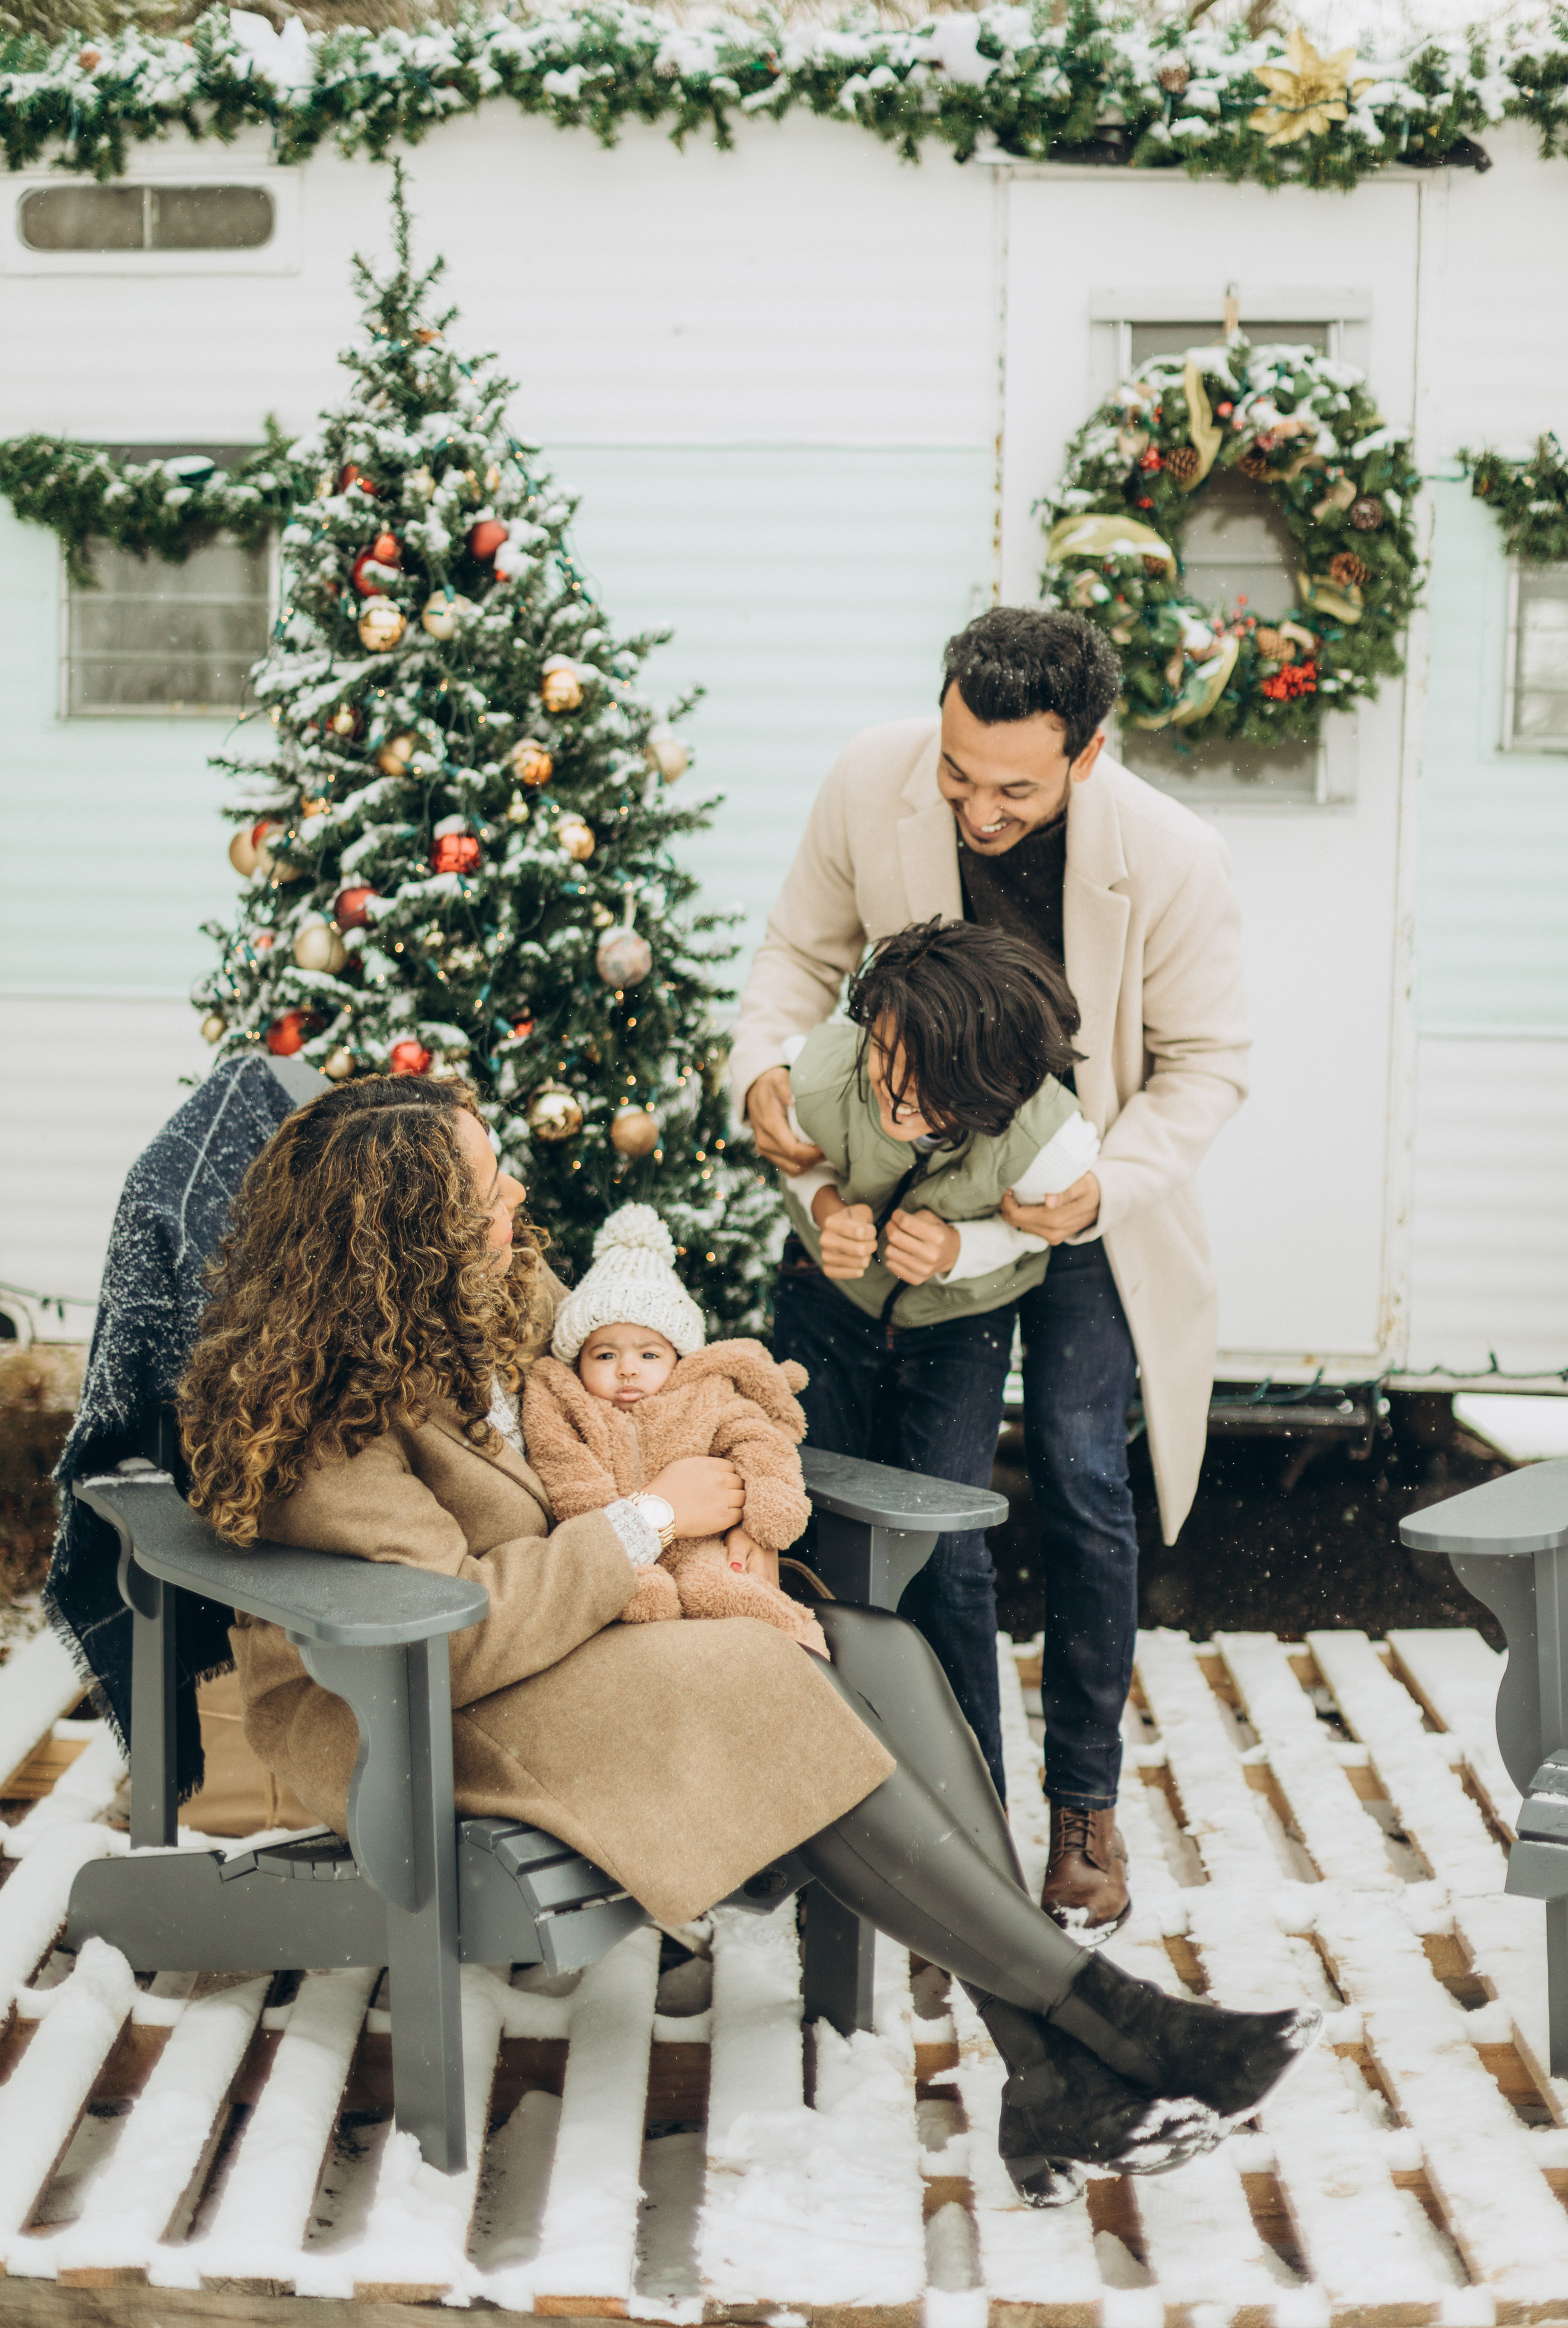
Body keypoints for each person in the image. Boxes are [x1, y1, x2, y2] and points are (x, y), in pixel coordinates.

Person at [176, 1074, 1310, 2207]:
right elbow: (452, 1623)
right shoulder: (330, 1414)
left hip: (572, 1637)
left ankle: (1047, 2065)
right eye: (485, 1191)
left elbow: (652, 1386)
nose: (515, 1195)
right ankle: (1113, 2017)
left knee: (878, 1651)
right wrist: (657, 1516)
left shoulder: (487, 1299)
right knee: (767, 1674)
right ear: (406, 1237)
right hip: (420, 1706)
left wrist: (739, 1486)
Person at [731, 608, 1250, 1942]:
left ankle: (1080, 1805)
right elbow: (796, 959)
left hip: (1072, 1198)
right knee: (917, 1500)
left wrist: (1099, 1191)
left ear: (1085, 755)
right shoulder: (870, 777)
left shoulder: (1173, 860)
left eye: (1011, 786)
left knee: (1079, 1473)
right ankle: (921, 1799)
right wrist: (764, 1085)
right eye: (956, 771)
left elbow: (1206, 1064)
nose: (971, 807)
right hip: (908, 1194)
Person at [772, 917, 1099, 1796]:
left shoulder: (1050, 1141)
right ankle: (798, 1787)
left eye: (927, 1092)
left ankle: (969, 1796)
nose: (893, 1099)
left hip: (964, 1323)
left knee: (944, 1547)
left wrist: (963, 1252)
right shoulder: (824, 1067)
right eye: (885, 1063)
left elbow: (1039, 1240)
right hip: (826, 1300)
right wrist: (828, 1204)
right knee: (795, 1524)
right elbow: (795, 1161)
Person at [522, 1202, 823, 1643]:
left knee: (732, 1594)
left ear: (678, 1358)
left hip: (699, 1548)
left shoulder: (702, 1395)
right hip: (613, 1552)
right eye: (606, 1354)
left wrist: (770, 1503)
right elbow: (569, 1477)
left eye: (648, 1354)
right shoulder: (569, 1406)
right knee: (632, 1605)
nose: (627, 1369)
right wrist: (620, 1549)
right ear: (577, 1359)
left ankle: (802, 1659)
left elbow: (755, 1438)